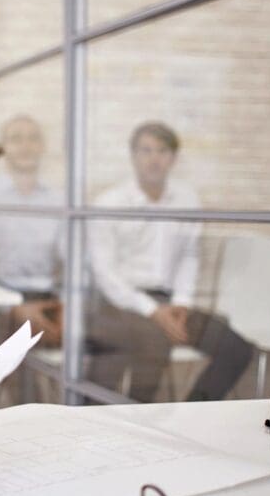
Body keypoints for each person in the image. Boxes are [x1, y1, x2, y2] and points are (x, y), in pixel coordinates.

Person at [86, 121, 253, 402]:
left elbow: (189, 256)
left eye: (162, 151)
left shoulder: (186, 199)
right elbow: (105, 273)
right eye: (146, 150)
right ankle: (131, 423)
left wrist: (182, 304)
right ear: (133, 155)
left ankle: (193, 410)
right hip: (122, 304)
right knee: (152, 345)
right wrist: (153, 310)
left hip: (172, 303)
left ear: (173, 158)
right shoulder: (109, 203)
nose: (154, 158)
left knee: (236, 350)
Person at [0, 115, 63, 343]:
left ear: (43, 146)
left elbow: (72, 263)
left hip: (47, 302)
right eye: (16, 139)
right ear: (2, 147)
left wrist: (65, 305)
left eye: (33, 138)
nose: (25, 146)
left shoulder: (60, 202)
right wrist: (12, 308)